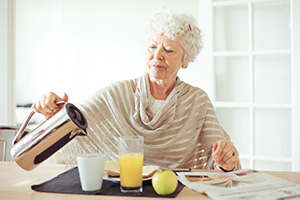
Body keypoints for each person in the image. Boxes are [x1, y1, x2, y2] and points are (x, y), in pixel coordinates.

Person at [32, 8, 241, 172]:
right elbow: (73, 121)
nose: (157, 56)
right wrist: (54, 110)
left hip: (177, 193)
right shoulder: (118, 93)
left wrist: (225, 161)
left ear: (186, 60)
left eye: (168, 50)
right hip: (123, 190)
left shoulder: (197, 101)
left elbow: (220, 161)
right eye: (152, 47)